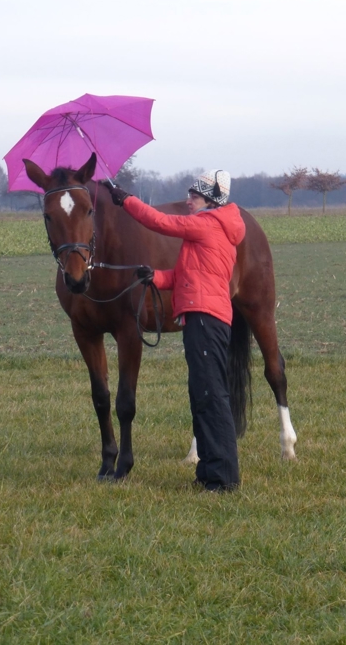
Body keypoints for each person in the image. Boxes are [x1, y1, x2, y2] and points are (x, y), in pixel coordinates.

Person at [105, 170, 246, 492]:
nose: (188, 201)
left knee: (211, 396)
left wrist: (125, 199)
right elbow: (186, 274)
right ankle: (210, 472)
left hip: (206, 318)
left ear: (211, 200)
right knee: (202, 395)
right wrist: (154, 277)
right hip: (200, 317)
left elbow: (161, 223)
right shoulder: (210, 230)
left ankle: (223, 479)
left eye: (194, 196)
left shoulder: (208, 224)